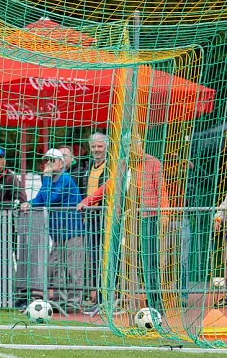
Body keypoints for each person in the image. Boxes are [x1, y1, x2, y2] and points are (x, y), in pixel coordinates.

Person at [80, 138, 168, 312]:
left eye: (132, 145)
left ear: (140, 144)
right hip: (124, 219)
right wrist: (88, 201)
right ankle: (124, 301)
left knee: (148, 261)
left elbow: (161, 189)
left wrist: (164, 214)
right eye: (126, 146)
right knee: (121, 260)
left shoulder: (152, 163)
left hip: (146, 217)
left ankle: (156, 303)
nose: (129, 149)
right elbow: (109, 185)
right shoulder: (122, 164)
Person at [21, 148, 85, 312]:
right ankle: (59, 301)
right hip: (58, 233)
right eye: (47, 160)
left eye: (52, 160)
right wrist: (30, 203)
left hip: (72, 232)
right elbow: (41, 198)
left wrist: (47, 177)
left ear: (62, 163)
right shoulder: (48, 179)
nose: (49, 163)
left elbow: (51, 199)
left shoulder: (65, 179)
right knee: (55, 267)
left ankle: (73, 303)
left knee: (72, 269)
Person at [76, 133, 109, 304]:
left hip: (106, 217)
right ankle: (96, 295)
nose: (96, 150)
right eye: (94, 147)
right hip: (90, 217)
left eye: (100, 147)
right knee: (93, 257)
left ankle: (108, 295)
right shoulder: (87, 166)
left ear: (106, 148)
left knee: (106, 256)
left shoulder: (111, 167)